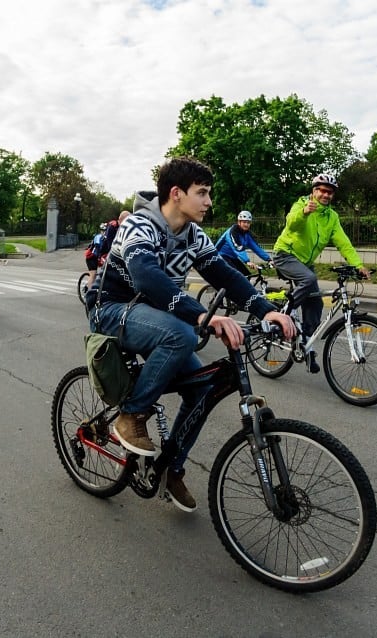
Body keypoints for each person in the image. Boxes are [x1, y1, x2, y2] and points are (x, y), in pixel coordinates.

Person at [86, 157, 294, 512]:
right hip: (112, 310)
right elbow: (146, 277)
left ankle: (170, 467)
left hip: (153, 315)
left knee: (201, 388)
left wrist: (267, 309)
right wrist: (203, 317)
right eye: (202, 193)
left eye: (209, 193)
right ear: (176, 194)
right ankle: (131, 415)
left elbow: (226, 276)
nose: (209, 202)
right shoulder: (139, 225)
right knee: (181, 333)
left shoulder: (194, 235)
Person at [272, 174, 370, 373]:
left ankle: (305, 347)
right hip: (285, 255)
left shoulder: (331, 217)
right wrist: (305, 213)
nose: (325, 194)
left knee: (315, 303)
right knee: (309, 279)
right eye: (322, 190)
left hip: (305, 262)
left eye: (329, 192)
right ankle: (287, 311)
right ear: (314, 191)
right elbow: (291, 223)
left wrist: (358, 264)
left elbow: (343, 242)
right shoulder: (301, 204)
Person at [215, 210, 273, 276]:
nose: (246, 224)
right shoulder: (232, 232)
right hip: (220, 256)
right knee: (235, 275)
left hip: (233, 257)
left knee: (247, 275)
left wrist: (268, 259)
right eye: (244, 222)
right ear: (239, 222)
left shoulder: (247, 234)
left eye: (248, 222)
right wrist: (247, 261)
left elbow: (256, 248)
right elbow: (238, 248)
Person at [83, 223, 106, 289]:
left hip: (97, 257)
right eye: (103, 230)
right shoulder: (98, 237)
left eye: (105, 231)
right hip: (91, 257)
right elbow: (98, 248)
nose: (104, 232)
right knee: (93, 275)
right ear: (101, 230)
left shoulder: (105, 238)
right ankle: (89, 293)